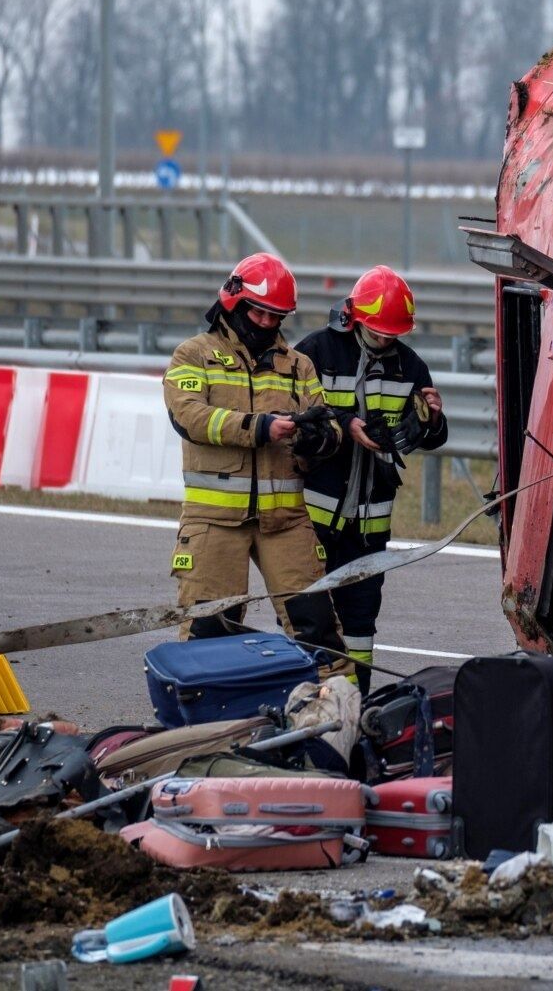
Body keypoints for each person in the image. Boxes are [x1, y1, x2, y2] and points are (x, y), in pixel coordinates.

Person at [162, 252, 349, 673]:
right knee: (209, 638)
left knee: (320, 634)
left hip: (285, 521)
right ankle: (203, 732)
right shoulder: (192, 356)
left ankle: (341, 722)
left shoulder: (299, 366)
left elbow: (329, 426)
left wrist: (320, 439)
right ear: (234, 301)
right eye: (259, 312)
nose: (267, 322)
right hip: (213, 523)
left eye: (277, 316)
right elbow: (189, 417)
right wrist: (260, 427)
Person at [295, 265, 447, 694]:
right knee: (311, 614)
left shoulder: (409, 366)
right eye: (379, 332)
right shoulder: (317, 351)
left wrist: (432, 418)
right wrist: (347, 426)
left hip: (370, 522)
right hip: (314, 517)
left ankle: (356, 704)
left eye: (393, 334)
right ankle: (308, 699)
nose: (386, 339)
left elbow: (430, 438)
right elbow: (295, 411)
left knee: (361, 621)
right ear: (357, 318)